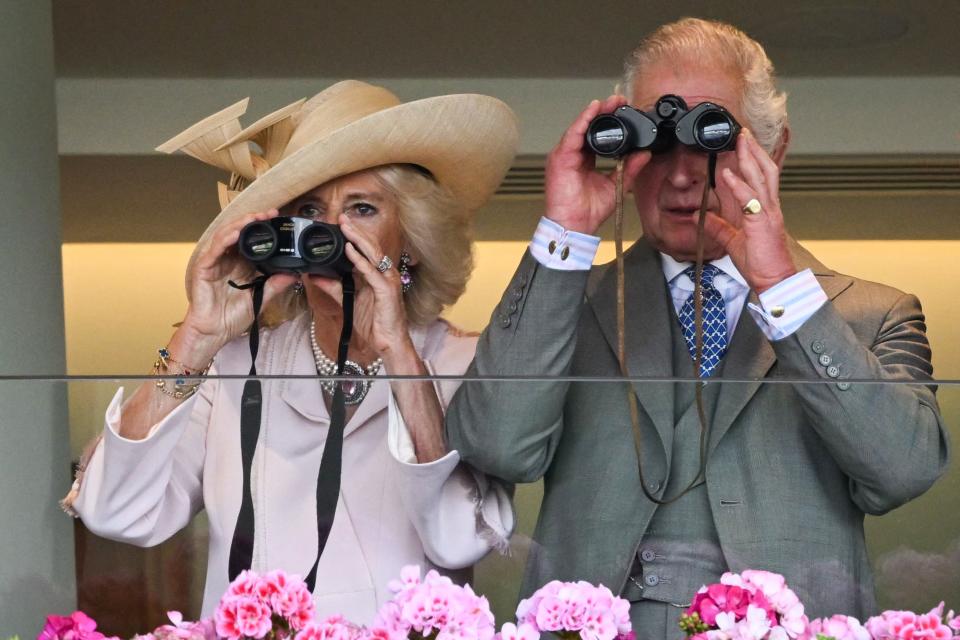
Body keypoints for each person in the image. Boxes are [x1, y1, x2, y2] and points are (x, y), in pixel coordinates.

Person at [445, 17, 949, 634]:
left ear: (775, 151)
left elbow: (902, 472)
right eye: (655, 141)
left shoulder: (870, 314)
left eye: (710, 139)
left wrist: (782, 288)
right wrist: (565, 233)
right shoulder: (566, 300)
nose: (681, 175)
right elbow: (497, 445)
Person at [64, 80, 518, 621]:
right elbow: (117, 513)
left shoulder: (462, 365)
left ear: (412, 243)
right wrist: (196, 338)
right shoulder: (236, 365)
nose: (333, 232)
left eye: (362, 209)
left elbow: (457, 539)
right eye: (310, 210)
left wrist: (397, 350)